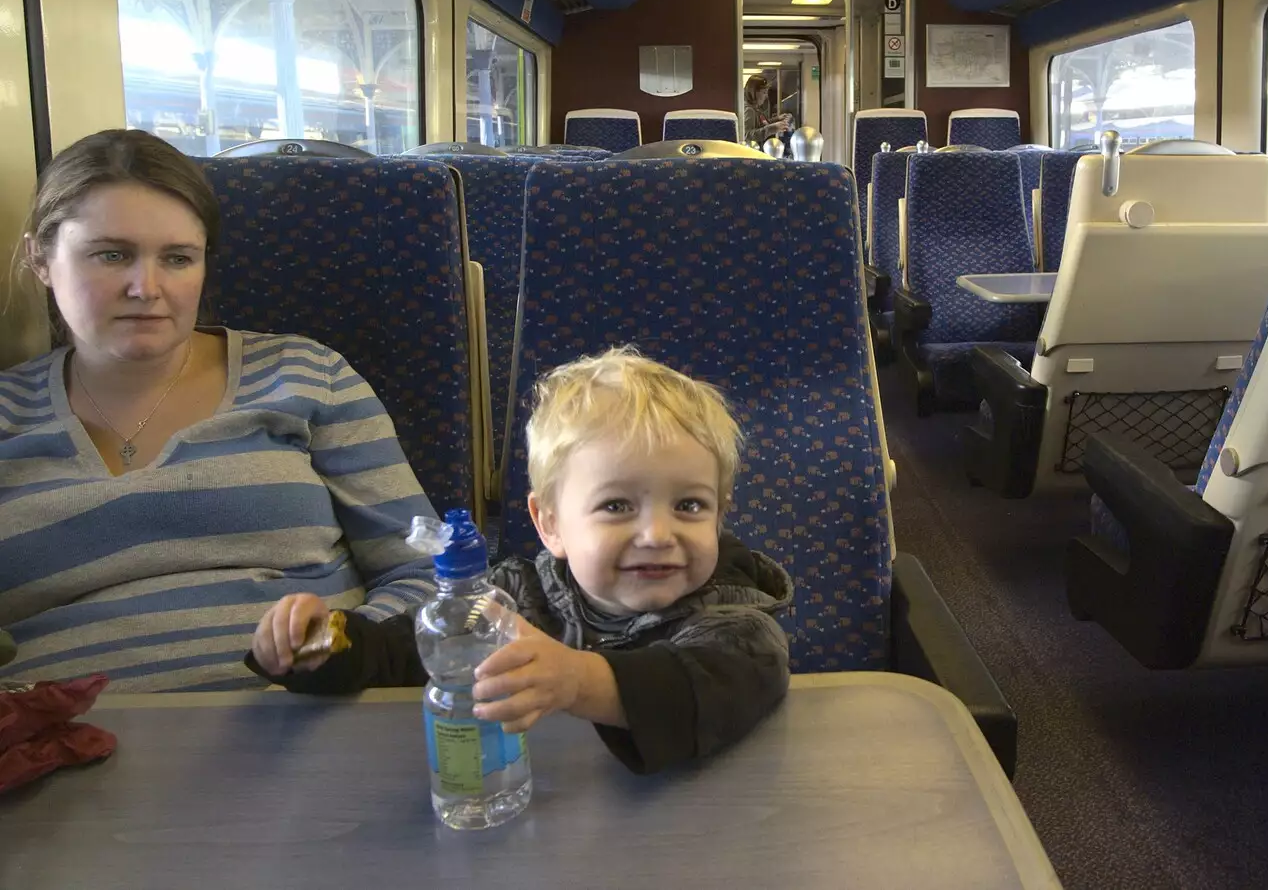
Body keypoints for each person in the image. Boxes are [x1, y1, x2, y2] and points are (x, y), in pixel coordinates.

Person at [0, 129, 435, 692]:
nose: (146, 287)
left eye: (178, 258)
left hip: (309, 722)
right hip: (65, 750)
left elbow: (423, 570)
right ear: (41, 258)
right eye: (112, 255)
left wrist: (337, 651)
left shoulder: (307, 374)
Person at [248, 347, 793, 774]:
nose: (656, 533)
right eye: (617, 506)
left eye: (689, 505)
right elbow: (409, 653)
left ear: (719, 517)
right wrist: (326, 645)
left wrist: (578, 681)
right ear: (550, 523)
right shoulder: (517, 597)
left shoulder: (740, 626)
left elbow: (700, 689)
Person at [743, 73, 793, 145]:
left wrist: (777, 119)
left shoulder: (756, 108)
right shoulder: (749, 110)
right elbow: (747, 135)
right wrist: (773, 128)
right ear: (754, 92)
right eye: (764, 92)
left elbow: (760, 124)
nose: (766, 96)